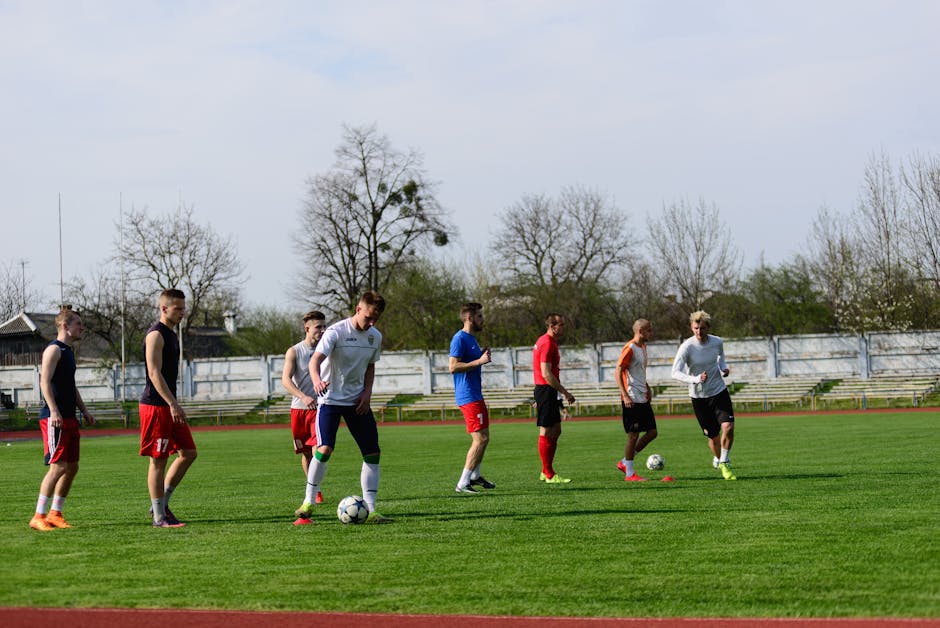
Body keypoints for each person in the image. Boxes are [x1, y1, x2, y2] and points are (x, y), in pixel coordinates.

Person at [294, 291, 391, 524]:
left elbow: (370, 366)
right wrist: (316, 380)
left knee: (372, 453)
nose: (371, 323)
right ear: (358, 309)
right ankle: (308, 501)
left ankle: (372, 509)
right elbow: (314, 360)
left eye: (375, 319)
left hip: (357, 401)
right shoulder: (336, 332)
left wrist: (367, 393)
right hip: (330, 400)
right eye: (368, 317)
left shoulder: (374, 336)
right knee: (324, 448)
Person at [29, 308, 95, 531]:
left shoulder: (69, 351)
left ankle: (56, 513)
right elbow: (44, 383)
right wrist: (54, 410)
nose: (82, 328)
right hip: (54, 418)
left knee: (72, 467)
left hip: (69, 417)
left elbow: (71, 387)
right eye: (78, 324)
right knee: (57, 467)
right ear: (65, 326)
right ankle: (38, 516)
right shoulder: (54, 350)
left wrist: (84, 411)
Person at [140, 288, 198, 527]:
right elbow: (154, 373)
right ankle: (159, 517)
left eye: (184, 308)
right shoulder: (156, 335)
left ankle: (161, 505)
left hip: (168, 405)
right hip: (156, 406)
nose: (182, 312)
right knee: (158, 460)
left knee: (188, 452)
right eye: (178, 308)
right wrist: (172, 403)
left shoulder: (172, 334)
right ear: (164, 308)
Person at [671, 310, 737, 480]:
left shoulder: (717, 342)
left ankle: (724, 462)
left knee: (728, 427)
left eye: (702, 328)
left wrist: (723, 369)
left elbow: (720, 358)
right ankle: (720, 459)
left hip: (719, 391)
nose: (699, 332)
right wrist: (695, 379)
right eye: (695, 328)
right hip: (699, 397)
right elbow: (675, 373)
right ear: (691, 328)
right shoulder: (687, 347)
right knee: (713, 438)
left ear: (708, 328)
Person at [449, 302, 495, 495]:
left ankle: (475, 476)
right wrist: (479, 361)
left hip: (476, 394)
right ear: (469, 318)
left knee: (485, 437)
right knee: (480, 438)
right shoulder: (459, 338)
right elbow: (453, 366)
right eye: (479, 317)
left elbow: (471, 361)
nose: (482, 320)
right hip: (468, 396)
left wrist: (480, 353)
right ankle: (463, 482)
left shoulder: (471, 339)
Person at [281, 309, 327, 504]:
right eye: (318, 327)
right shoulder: (295, 351)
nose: (322, 330)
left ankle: (314, 489)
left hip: (320, 409)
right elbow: (285, 379)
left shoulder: (327, 349)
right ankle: (313, 487)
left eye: (324, 326)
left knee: (319, 448)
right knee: (306, 453)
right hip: (299, 409)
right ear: (307, 328)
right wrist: (303, 396)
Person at [533, 312, 576, 483]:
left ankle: (546, 470)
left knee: (556, 430)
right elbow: (546, 373)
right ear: (552, 326)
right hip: (546, 389)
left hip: (547, 390)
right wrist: (565, 392)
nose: (564, 328)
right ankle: (548, 473)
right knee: (547, 430)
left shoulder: (547, 342)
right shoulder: (547, 343)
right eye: (561, 325)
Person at [614, 318, 658, 482]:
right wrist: (624, 395)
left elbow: (638, 371)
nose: (651, 333)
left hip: (642, 396)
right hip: (631, 397)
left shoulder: (643, 347)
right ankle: (629, 474)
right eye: (649, 330)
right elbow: (618, 372)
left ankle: (625, 462)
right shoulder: (630, 348)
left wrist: (647, 387)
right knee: (633, 435)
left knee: (652, 432)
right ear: (640, 331)